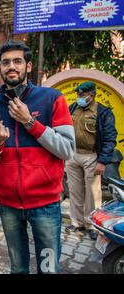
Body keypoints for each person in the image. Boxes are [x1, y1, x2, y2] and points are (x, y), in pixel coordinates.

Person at [0, 40, 75, 274]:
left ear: (28, 66)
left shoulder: (52, 98)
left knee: (48, 267)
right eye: (5, 62)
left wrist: (30, 122)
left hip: (45, 203)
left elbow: (67, 149)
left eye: (17, 61)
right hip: (8, 204)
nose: (11, 66)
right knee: (18, 267)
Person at [65, 81, 117, 240]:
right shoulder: (73, 108)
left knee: (93, 193)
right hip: (73, 155)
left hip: (91, 156)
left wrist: (102, 161)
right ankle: (77, 222)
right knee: (75, 190)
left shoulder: (103, 112)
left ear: (91, 95)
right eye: (77, 94)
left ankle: (92, 225)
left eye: (81, 94)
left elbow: (109, 138)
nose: (78, 97)